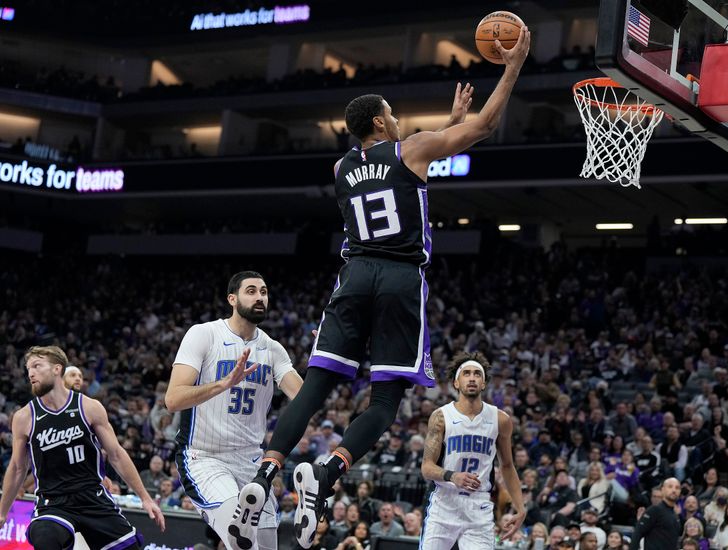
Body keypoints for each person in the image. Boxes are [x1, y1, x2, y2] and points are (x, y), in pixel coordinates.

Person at [230, 25, 531, 550]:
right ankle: (326, 475)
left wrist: (443, 130)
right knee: (385, 401)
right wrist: (513, 65)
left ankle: (266, 472)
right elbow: (484, 127)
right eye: (391, 113)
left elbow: (396, 164)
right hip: (397, 279)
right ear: (378, 121)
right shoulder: (410, 149)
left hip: (352, 278)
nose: (397, 120)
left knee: (317, 385)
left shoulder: (341, 167)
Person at [166, 271, 303, 550]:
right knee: (243, 542)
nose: (260, 297)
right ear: (232, 298)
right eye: (251, 291)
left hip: (252, 464)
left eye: (264, 292)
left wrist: (322, 358)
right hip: (205, 458)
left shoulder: (273, 349)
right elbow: (173, 399)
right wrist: (223, 383)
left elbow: (304, 399)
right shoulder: (204, 334)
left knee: (266, 546)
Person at [0, 346, 165, 549]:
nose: (30, 373)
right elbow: (17, 468)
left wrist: (145, 498)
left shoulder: (88, 407)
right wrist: (2, 513)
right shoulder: (24, 417)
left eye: (36, 366)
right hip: (53, 503)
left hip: (93, 497)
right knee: (44, 537)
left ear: (57, 369)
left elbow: (116, 454)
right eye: (28, 369)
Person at [419, 352, 525, 548]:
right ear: (456, 383)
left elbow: (508, 466)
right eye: (466, 373)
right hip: (444, 502)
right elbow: (426, 467)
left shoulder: (500, 419)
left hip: (479, 505)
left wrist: (520, 508)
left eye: (477, 374)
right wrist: (453, 476)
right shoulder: (441, 417)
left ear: (483, 384)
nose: (472, 378)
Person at [629, 478, 682, 550]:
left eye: (677, 488)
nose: (674, 490)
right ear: (662, 490)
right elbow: (638, 533)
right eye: (670, 486)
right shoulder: (654, 510)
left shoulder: (675, 515)